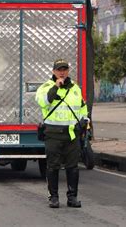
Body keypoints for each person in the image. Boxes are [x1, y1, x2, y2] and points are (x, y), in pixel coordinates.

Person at [36, 59, 88, 208]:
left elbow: (82, 107)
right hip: (53, 134)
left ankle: (72, 197)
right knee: (53, 167)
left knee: (73, 167)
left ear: (68, 71)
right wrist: (56, 88)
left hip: (72, 134)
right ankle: (53, 197)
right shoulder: (46, 87)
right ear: (53, 72)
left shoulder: (75, 88)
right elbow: (43, 102)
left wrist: (85, 120)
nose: (62, 72)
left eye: (64, 69)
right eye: (59, 69)